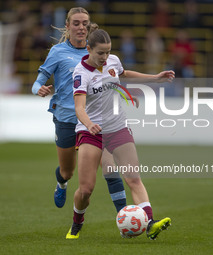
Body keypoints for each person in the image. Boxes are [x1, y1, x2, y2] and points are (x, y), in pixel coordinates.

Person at [66, 28, 174, 239]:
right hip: (91, 132)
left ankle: (150, 223)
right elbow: (79, 108)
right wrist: (89, 124)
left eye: (108, 52)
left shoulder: (113, 61)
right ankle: (77, 221)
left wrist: (155, 78)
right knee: (86, 189)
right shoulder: (81, 73)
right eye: (100, 53)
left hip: (117, 126)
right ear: (88, 49)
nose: (105, 58)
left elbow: (123, 76)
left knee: (133, 177)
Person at [31, 7, 127, 213]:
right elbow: (38, 81)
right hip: (66, 119)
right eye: (76, 23)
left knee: (110, 170)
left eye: (85, 23)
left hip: (95, 121)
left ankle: (124, 216)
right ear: (67, 26)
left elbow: (116, 73)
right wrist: (38, 88)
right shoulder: (57, 52)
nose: (81, 27)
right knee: (67, 172)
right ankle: (62, 184)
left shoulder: (96, 50)